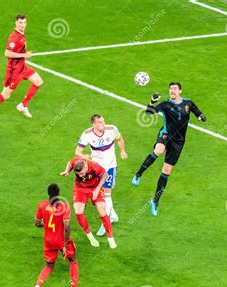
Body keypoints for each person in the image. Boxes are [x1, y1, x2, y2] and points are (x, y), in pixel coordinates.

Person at [131, 82, 207, 216]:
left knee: (166, 171)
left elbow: (196, 111)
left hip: (179, 141)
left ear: (180, 91)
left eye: (175, 89)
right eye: (170, 89)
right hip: (166, 134)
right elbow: (149, 112)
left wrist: (201, 116)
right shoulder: (166, 104)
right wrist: (152, 101)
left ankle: (155, 201)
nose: (172, 91)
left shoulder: (188, 103)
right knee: (158, 150)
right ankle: (138, 174)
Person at [0, 14, 43, 126]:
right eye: (20, 22)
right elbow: (7, 53)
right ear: (16, 23)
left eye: (24, 22)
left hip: (22, 67)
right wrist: (24, 55)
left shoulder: (22, 35)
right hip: (14, 71)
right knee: (5, 95)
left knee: (38, 81)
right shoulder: (14, 37)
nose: (23, 25)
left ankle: (23, 105)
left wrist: (23, 56)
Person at [75, 114, 127, 236]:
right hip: (96, 168)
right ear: (94, 124)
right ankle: (113, 215)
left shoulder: (112, 129)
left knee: (106, 193)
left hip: (110, 167)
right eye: (99, 123)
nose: (103, 124)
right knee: (100, 193)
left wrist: (123, 151)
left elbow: (120, 139)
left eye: (103, 122)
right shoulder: (87, 134)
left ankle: (106, 221)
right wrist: (84, 156)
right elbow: (77, 151)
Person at [30, 184, 82, 287]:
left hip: (49, 241)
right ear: (58, 193)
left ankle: (37, 286)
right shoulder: (64, 207)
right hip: (61, 241)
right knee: (73, 261)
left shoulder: (42, 206)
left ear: (49, 193)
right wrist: (65, 244)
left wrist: (46, 225)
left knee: (49, 266)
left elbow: (37, 224)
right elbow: (67, 228)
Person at [60, 158, 117, 248]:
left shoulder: (95, 167)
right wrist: (67, 171)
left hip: (95, 188)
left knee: (102, 211)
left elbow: (105, 175)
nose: (80, 175)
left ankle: (110, 238)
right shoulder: (76, 162)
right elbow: (69, 163)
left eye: (81, 173)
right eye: (78, 174)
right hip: (80, 189)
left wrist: (97, 189)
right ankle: (90, 236)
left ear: (86, 167)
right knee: (78, 212)